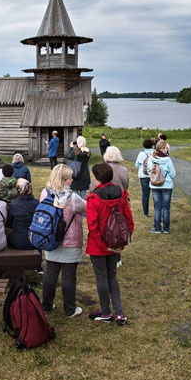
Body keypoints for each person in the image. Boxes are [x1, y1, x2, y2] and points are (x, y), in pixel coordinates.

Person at [86, 163, 133, 325]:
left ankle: (106, 312)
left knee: (101, 277)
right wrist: (122, 242)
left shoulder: (93, 198)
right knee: (112, 276)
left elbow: (93, 225)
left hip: (99, 245)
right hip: (116, 243)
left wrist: (102, 245)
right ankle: (119, 312)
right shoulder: (121, 194)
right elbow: (128, 221)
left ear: (97, 178)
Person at [40, 166, 87, 317]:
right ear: (64, 180)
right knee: (68, 275)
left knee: (50, 273)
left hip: (51, 238)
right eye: (69, 178)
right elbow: (85, 207)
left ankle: (47, 304)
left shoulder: (45, 193)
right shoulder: (73, 198)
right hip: (70, 240)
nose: (72, 180)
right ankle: (69, 308)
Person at [149, 139, 176, 234]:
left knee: (157, 207)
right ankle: (166, 228)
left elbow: (149, 171)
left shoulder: (151, 158)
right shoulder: (168, 160)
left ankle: (157, 228)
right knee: (166, 207)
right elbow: (173, 174)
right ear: (163, 148)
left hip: (155, 185)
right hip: (167, 185)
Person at [5, 179, 38, 250]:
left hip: (17, 240)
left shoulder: (13, 205)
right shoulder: (37, 204)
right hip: (33, 240)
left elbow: (8, 223)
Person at [133, 138, 155, 217]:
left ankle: (145, 213)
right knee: (155, 194)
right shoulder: (155, 153)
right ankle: (157, 211)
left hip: (144, 176)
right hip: (153, 175)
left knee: (145, 194)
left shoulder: (141, 154)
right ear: (152, 145)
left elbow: (137, 165)